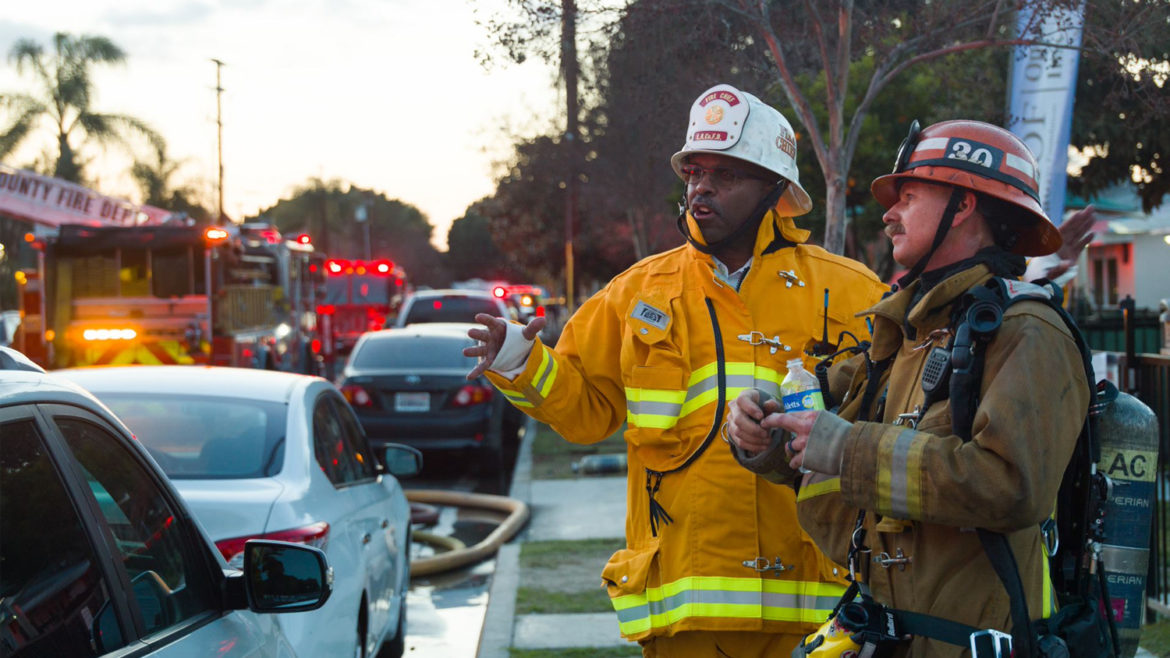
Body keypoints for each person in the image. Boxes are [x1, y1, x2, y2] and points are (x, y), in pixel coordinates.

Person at [465, 83, 890, 656]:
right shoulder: (636, 292)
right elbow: (588, 414)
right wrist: (520, 362)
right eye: (694, 173)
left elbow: (894, 427)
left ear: (775, 190)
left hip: (820, 610)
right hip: (686, 617)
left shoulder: (854, 291)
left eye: (725, 174)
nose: (702, 187)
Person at [725, 119, 1091, 657]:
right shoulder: (905, 337)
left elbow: (1012, 485)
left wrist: (846, 448)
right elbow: (830, 448)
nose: (889, 215)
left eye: (909, 196)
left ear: (963, 206)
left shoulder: (1026, 333)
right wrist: (768, 437)